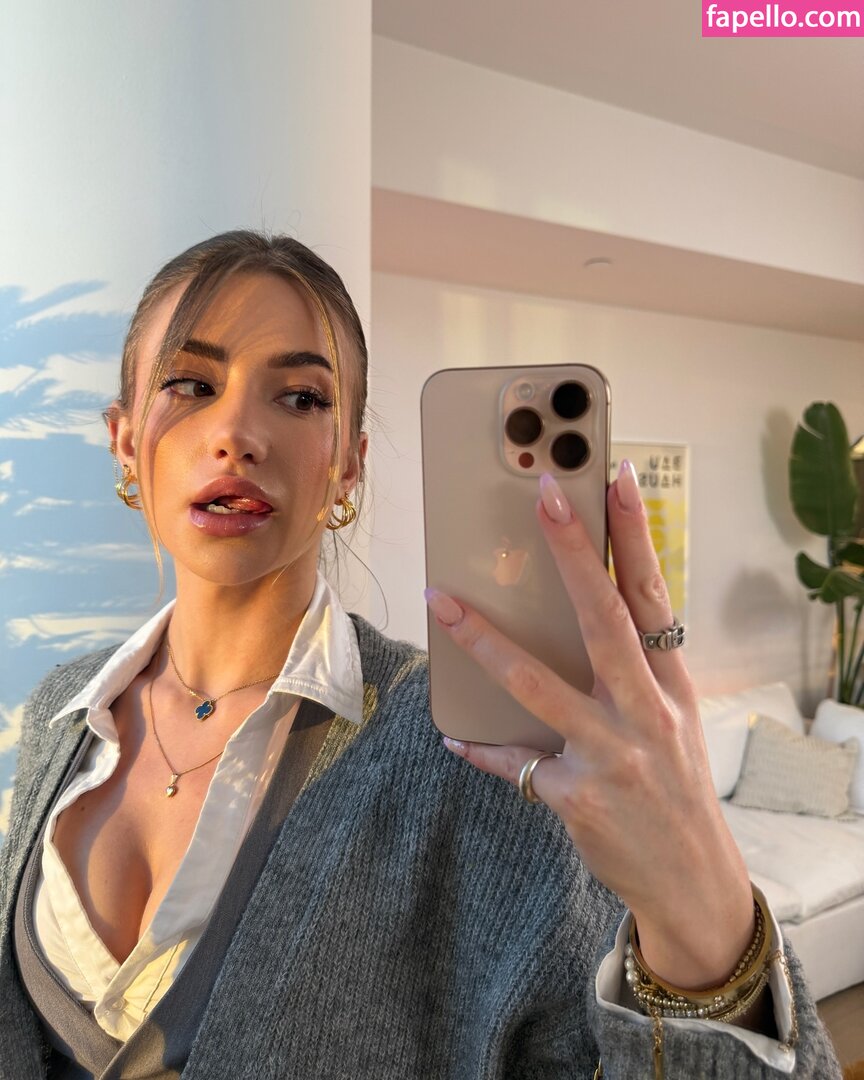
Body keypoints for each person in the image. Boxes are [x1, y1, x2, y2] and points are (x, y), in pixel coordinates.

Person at [0, 231, 841, 1079]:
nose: (236, 433)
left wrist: (705, 918)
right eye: (190, 384)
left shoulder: (480, 762)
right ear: (123, 440)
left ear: (349, 467)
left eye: (301, 397)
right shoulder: (60, 717)